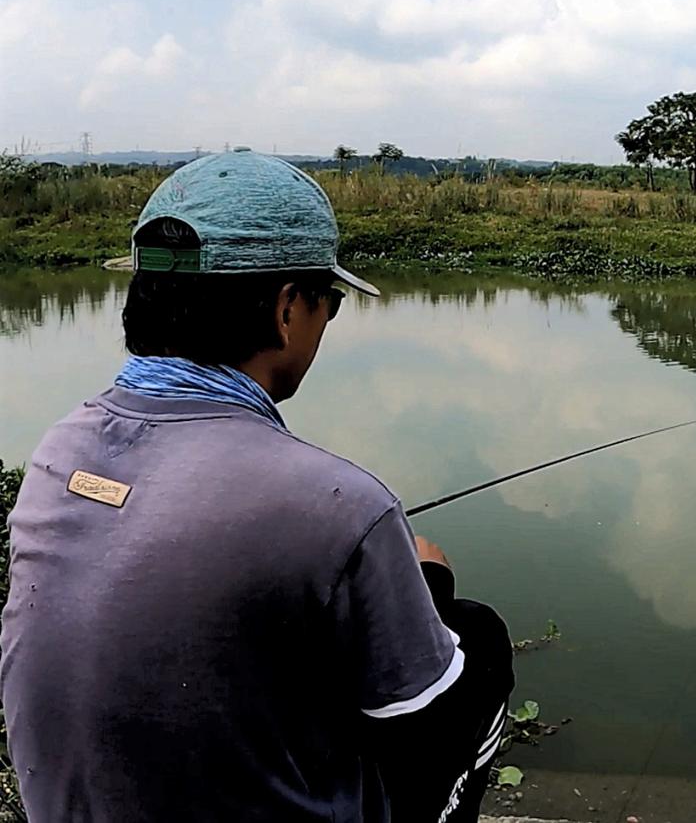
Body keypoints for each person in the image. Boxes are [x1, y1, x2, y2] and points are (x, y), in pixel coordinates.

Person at [0, 148, 513, 822]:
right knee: (475, 635)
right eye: (328, 302)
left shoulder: (59, 448)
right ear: (286, 309)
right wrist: (428, 584)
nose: (325, 321)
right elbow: (412, 708)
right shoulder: (339, 504)